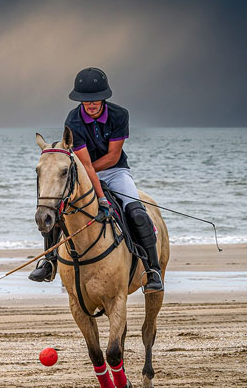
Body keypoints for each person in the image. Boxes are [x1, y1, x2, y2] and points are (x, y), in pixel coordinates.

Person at [28, 67, 163, 293]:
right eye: (85, 101)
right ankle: (50, 262)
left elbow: (113, 156)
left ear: (104, 98)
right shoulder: (73, 120)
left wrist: (100, 193)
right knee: (56, 209)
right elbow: (86, 165)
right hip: (84, 170)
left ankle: (152, 270)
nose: (90, 105)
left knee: (137, 213)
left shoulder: (120, 115)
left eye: (95, 100)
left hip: (116, 170)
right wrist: (97, 192)